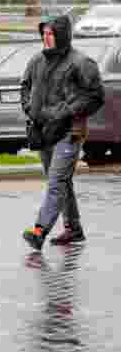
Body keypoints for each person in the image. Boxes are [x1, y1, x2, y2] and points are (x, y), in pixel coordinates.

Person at [20, 16, 104, 250]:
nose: (46, 38)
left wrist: (67, 111)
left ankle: (39, 230)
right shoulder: (37, 60)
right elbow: (25, 86)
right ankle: (73, 229)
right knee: (60, 181)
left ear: (62, 35)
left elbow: (96, 96)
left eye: (50, 33)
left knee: (57, 180)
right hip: (43, 130)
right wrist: (29, 109)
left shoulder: (81, 63)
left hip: (71, 130)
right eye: (43, 33)